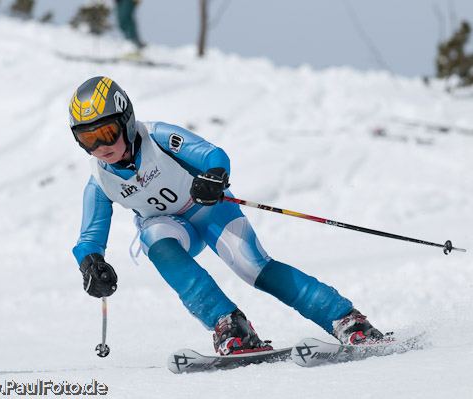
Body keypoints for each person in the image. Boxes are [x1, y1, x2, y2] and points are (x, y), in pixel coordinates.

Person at [69, 76, 386, 355]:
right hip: (170, 228)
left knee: (253, 268)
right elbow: (88, 240)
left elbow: (212, 154)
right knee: (152, 238)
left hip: (209, 209)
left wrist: (214, 177)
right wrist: (91, 265)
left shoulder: (156, 137)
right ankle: (229, 325)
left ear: (126, 120)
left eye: (107, 132)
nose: (100, 146)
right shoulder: (99, 179)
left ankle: (344, 319)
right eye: (88, 138)